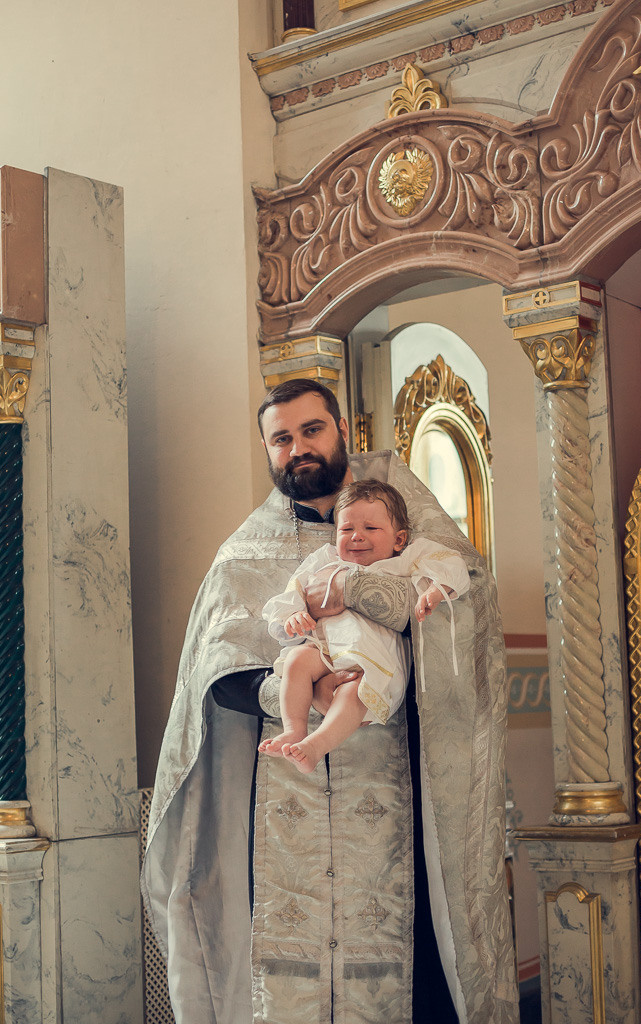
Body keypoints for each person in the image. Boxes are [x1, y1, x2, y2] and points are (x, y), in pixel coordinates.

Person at [141, 378, 518, 1024]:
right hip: (284, 803)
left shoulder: (410, 528)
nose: (298, 449)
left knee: (417, 966)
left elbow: (465, 611)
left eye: (310, 430)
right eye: (281, 439)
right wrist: (298, 686)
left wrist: (379, 602)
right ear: (267, 450)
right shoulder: (242, 555)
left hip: (397, 786)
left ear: (342, 431)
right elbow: (215, 667)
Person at [260, 479, 470, 774]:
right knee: (295, 660)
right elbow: (294, 588)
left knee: (354, 691)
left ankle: (316, 746)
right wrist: (292, 614)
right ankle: (294, 729)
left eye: (370, 529)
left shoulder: (404, 559)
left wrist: (436, 590)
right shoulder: (325, 559)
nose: (357, 537)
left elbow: (452, 564)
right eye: (346, 530)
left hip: (374, 657)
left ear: (399, 539)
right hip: (326, 647)